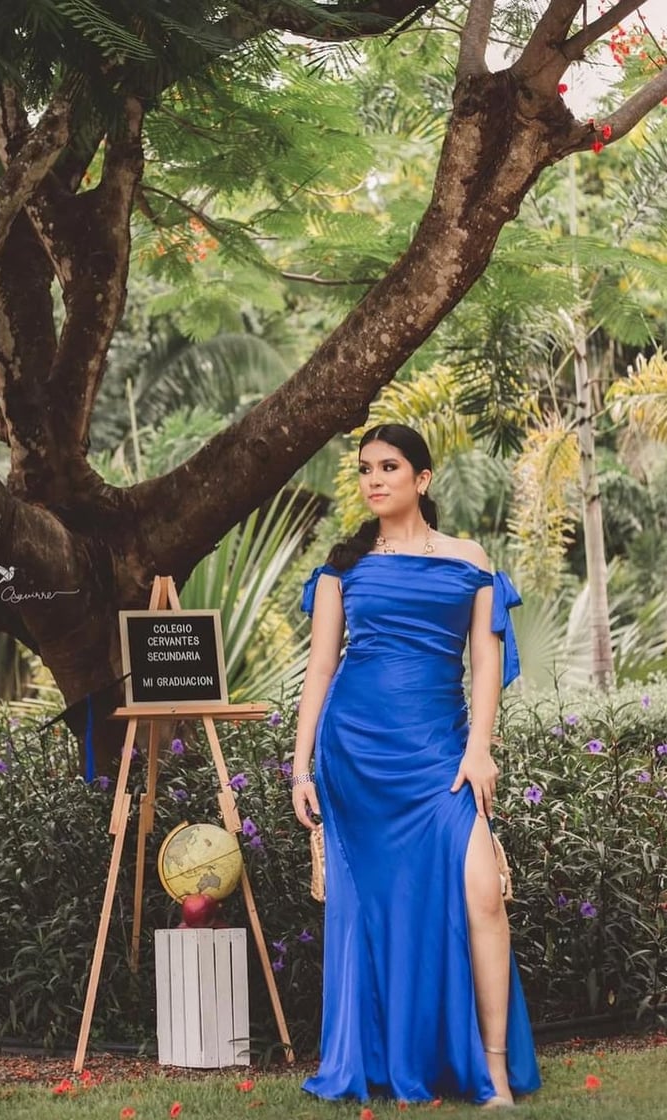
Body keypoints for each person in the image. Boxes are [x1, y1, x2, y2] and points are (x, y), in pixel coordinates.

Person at [292, 423, 541, 1108]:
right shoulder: (345, 565)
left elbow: (486, 664)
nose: (374, 479)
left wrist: (479, 748)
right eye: (366, 468)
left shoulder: (470, 559)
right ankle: (388, 1057)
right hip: (357, 752)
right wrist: (300, 766)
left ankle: (491, 1072)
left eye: (390, 467)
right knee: (372, 910)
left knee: (483, 893)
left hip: (440, 753)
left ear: (422, 479)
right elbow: (320, 668)